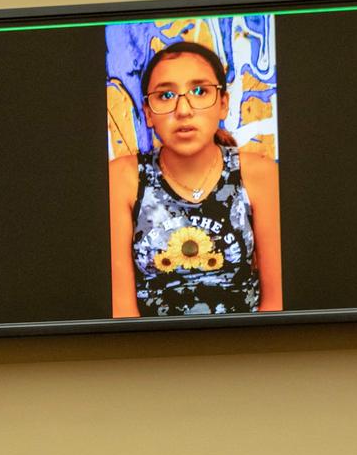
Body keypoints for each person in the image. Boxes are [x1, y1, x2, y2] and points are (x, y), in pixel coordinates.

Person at [109, 40, 282, 317]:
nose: (184, 110)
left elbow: (276, 305)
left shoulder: (258, 174)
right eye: (165, 96)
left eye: (199, 91)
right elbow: (121, 311)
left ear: (223, 104)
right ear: (148, 113)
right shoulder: (123, 179)